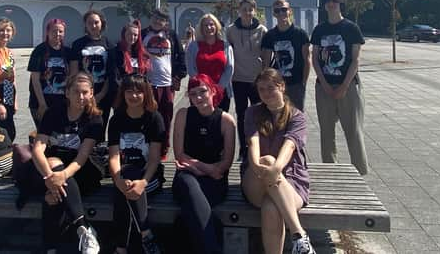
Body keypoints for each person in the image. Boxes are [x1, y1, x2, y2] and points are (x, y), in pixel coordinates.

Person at [241, 68, 314, 254]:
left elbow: (289, 146)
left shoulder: (297, 116)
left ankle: (297, 239)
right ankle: (299, 234)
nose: (265, 93)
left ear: (282, 87)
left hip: (291, 181)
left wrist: (277, 168)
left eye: (270, 88)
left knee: (271, 208)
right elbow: (253, 142)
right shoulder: (252, 112)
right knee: (267, 159)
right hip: (256, 180)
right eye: (261, 89)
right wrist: (258, 165)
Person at [31, 72, 103, 254]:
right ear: (67, 93)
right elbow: (38, 149)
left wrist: (59, 177)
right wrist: (49, 177)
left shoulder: (95, 118)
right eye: (76, 92)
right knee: (52, 190)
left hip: (82, 171)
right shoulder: (53, 113)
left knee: (53, 193)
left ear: (91, 93)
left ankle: (51, 247)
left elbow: (82, 156)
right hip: (51, 170)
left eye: (85, 92)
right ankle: (83, 228)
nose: (81, 97)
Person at [172, 74, 236, 254]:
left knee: (188, 213)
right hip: (189, 176)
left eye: (203, 91)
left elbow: (226, 163)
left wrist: (202, 169)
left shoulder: (225, 121)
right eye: (193, 94)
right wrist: (206, 169)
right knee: (187, 183)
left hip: (214, 182)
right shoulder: (183, 114)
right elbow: (180, 155)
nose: (198, 97)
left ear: (213, 90)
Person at [311, 0, 368, 175]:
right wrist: (325, 85)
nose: (331, 4)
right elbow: (315, 59)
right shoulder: (319, 30)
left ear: (341, 4)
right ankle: (330, 171)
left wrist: (343, 87)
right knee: (326, 134)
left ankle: (359, 173)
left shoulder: (351, 28)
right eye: (328, 1)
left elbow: (355, 60)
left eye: (335, 1)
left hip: (349, 86)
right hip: (324, 86)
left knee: (354, 132)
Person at [108, 74, 166, 254]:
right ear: (123, 94)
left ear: (146, 94)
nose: (133, 96)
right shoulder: (116, 119)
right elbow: (114, 156)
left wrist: (143, 182)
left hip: (150, 176)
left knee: (127, 186)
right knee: (125, 184)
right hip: (124, 176)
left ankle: (120, 247)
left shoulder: (154, 118)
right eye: (129, 92)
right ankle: (146, 235)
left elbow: (155, 158)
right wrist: (117, 179)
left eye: (138, 92)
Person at [141, 8, 187, 158]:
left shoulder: (171, 35)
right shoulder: (143, 34)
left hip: (166, 84)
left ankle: (163, 148)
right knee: (147, 116)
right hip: (148, 83)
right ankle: (146, 146)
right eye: (155, 17)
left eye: (161, 19)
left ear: (166, 22)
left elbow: (181, 56)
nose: (157, 21)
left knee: (166, 117)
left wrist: (179, 76)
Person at [227, 0, 267, 159]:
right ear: (239, 11)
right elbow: (228, 53)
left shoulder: (262, 30)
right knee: (242, 115)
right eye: (244, 9)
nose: (247, 12)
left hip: (256, 80)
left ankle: (259, 147)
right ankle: (244, 150)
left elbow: (266, 55)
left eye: (250, 9)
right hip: (238, 79)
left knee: (259, 114)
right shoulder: (231, 30)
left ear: (255, 11)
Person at [70, 10, 116, 135]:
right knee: (82, 127)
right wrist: (81, 93)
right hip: (82, 94)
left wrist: (100, 95)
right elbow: (74, 72)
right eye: (90, 23)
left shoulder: (109, 45)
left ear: (102, 24)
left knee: (100, 126)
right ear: (85, 25)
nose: (93, 25)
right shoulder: (78, 44)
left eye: (96, 22)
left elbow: (110, 74)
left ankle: (98, 152)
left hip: (102, 94)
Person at [261, 0, 311, 112]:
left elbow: (307, 60)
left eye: (284, 9)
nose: (281, 13)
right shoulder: (270, 35)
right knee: (277, 114)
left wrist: (303, 83)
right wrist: (267, 82)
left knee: (296, 116)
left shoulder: (300, 34)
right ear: (274, 14)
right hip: (277, 84)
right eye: (277, 11)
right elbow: (266, 62)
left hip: (296, 84)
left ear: (290, 11)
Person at [186, 13, 234, 112]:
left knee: (220, 123)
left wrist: (218, 88)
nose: (209, 27)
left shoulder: (225, 46)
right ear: (201, 28)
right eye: (205, 25)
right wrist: (204, 88)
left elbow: (229, 68)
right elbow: (191, 69)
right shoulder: (193, 46)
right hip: (199, 93)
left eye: (211, 24)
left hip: (221, 91)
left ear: (216, 26)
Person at [27, 18, 70, 127]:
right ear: (47, 32)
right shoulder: (39, 51)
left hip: (62, 102)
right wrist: (42, 104)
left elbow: (72, 76)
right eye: (54, 31)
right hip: (42, 101)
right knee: (44, 135)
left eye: (60, 31)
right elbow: (35, 80)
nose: (57, 34)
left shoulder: (68, 52)